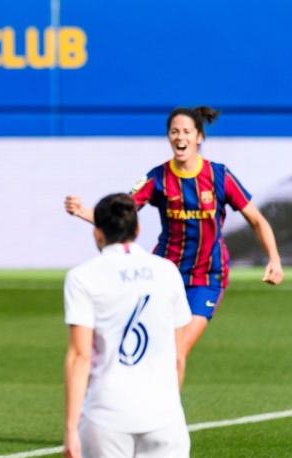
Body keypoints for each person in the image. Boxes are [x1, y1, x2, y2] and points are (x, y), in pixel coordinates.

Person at [65, 106, 283, 359]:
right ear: (169, 137)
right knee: (155, 349)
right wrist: (83, 212)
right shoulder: (158, 177)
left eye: (187, 131)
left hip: (207, 276)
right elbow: (118, 216)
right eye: (174, 131)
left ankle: (167, 401)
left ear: (199, 137)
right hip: (164, 274)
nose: (180, 137)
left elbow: (257, 220)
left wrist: (274, 259)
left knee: (176, 353)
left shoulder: (219, 176)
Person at [63, 193, 199, 458]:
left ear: (97, 234)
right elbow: (177, 354)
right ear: (138, 229)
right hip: (163, 412)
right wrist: (170, 404)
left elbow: (79, 355)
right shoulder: (167, 271)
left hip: (107, 413)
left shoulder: (83, 277)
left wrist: (71, 428)